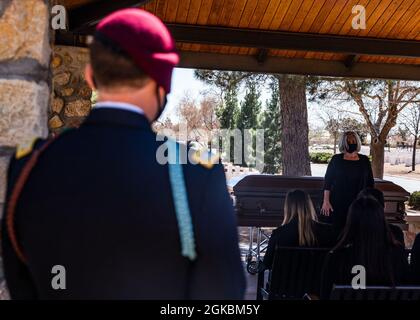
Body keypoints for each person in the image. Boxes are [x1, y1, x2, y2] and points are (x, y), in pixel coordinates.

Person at [1, 9, 245, 299]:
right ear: (162, 84)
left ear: (91, 76)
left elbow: (21, 285)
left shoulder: (29, 165)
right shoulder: (194, 174)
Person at [321, 197, 409, 299]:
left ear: (351, 222)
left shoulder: (336, 257)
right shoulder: (397, 255)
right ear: (381, 221)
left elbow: (325, 295)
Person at [263, 190, 336, 270]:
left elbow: (267, 264)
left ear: (287, 208)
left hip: (285, 281)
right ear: (309, 206)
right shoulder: (326, 231)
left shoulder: (279, 234)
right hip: (316, 281)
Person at [321, 131, 374, 233]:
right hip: (337, 204)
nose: (351, 142)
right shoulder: (336, 159)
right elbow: (327, 182)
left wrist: (370, 203)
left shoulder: (364, 160)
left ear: (357, 142)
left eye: (353, 140)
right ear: (343, 143)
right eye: (348, 141)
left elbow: (370, 183)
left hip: (359, 204)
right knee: (337, 232)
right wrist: (326, 201)